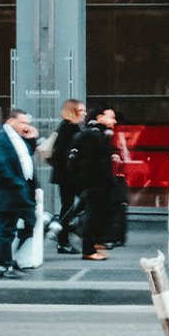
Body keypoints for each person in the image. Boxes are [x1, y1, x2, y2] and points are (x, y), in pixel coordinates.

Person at [0, 108, 39, 279]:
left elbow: (25, 156)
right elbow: (0, 164)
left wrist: (32, 140)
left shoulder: (16, 137)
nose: (26, 126)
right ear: (11, 121)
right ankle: (3, 266)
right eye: (23, 122)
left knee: (30, 221)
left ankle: (8, 259)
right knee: (7, 230)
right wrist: (17, 183)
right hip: (8, 192)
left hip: (20, 191)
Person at [68, 106, 119, 261]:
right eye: (110, 116)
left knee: (100, 214)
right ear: (99, 117)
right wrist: (91, 182)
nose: (114, 121)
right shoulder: (92, 135)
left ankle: (95, 243)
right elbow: (89, 162)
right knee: (93, 215)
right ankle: (88, 249)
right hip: (95, 183)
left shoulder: (100, 134)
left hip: (99, 183)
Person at [48, 98, 85, 254]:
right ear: (74, 112)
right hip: (68, 176)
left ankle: (64, 230)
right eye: (81, 111)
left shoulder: (70, 127)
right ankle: (63, 233)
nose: (84, 113)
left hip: (69, 176)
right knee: (71, 205)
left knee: (71, 205)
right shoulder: (68, 128)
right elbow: (62, 154)